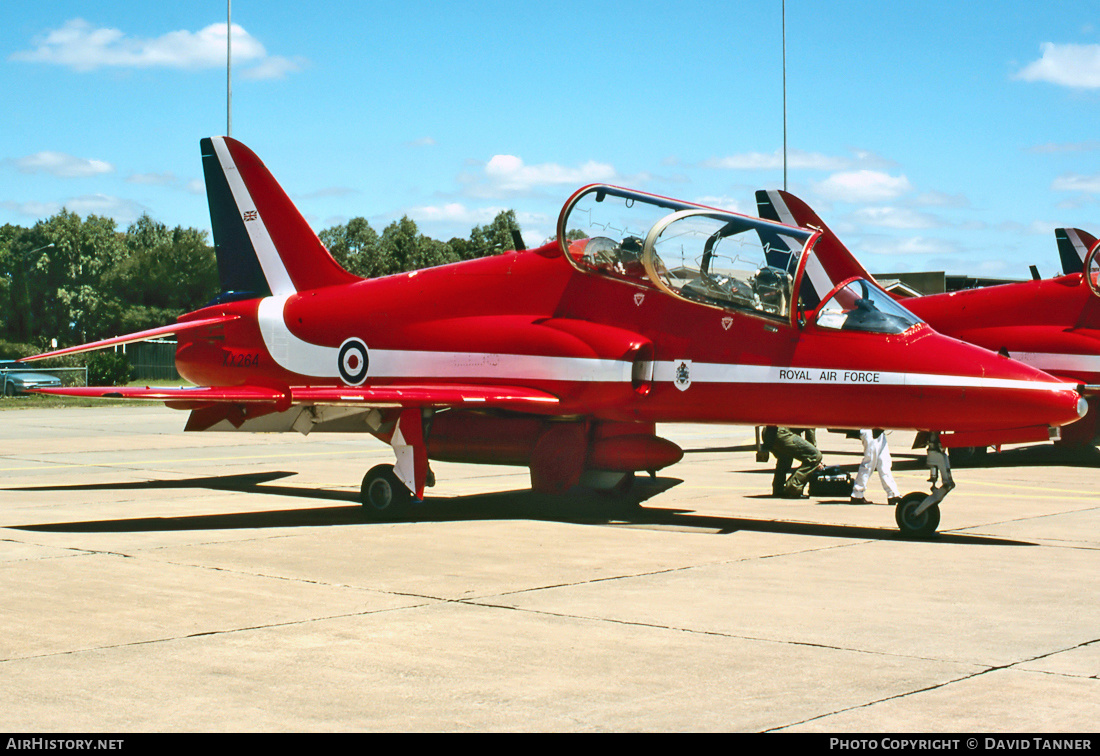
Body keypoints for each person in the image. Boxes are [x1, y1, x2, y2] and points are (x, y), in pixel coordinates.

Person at [762, 426, 823, 499]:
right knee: (815, 456)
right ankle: (794, 487)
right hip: (782, 433)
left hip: (768, 433)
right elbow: (810, 434)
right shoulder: (813, 414)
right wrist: (817, 461)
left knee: (785, 456)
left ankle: (778, 488)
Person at [850, 428, 901, 505]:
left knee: (884, 462)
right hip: (870, 430)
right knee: (869, 463)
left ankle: (893, 494)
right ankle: (857, 494)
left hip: (879, 431)